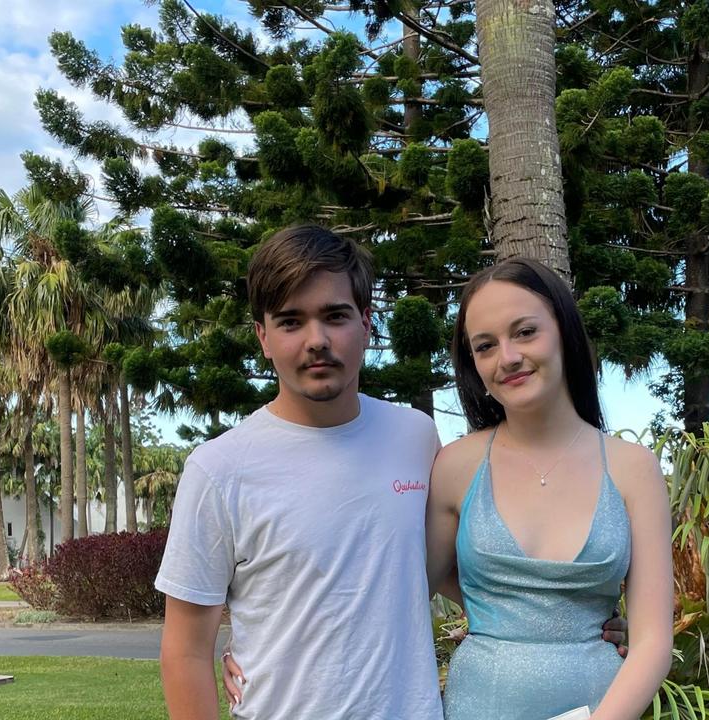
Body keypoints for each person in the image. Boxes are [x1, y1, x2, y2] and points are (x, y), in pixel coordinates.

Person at [158, 226, 625, 720]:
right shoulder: (219, 469)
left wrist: (574, 621)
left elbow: (432, 567)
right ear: (263, 337)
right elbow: (185, 651)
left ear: (365, 322)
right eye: (291, 321)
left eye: (335, 316)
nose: (317, 340)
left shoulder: (414, 437)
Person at [425, 258, 674, 719]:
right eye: (485, 346)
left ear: (564, 330)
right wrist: (500, 612)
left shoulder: (633, 468)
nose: (508, 357)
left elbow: (654, 642)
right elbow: (409, 584)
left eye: (525, 332)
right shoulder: (456, 466)